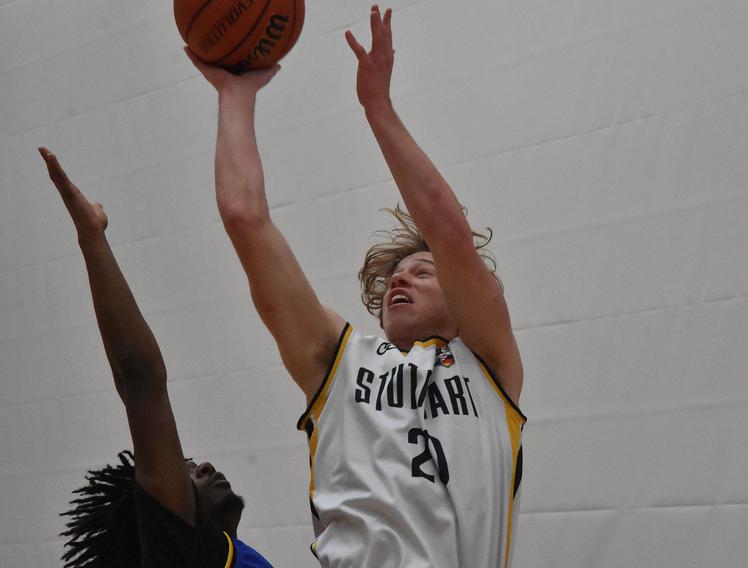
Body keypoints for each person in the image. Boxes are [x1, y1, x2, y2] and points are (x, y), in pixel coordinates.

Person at [186, 4, 526, 566]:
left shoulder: (489, 364)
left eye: (423, 271)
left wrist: (378, 107)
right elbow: (245, 217)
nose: (401, 277)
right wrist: (234, 96)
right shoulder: (338, 364)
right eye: (397, 272)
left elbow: (447, 228)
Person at [41, 148, 272, 568]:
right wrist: (92, 238)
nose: (201, 467)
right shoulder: (185, 554)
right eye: (181, 473)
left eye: (186, 465)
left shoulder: (231, 553)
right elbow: (141, 380)